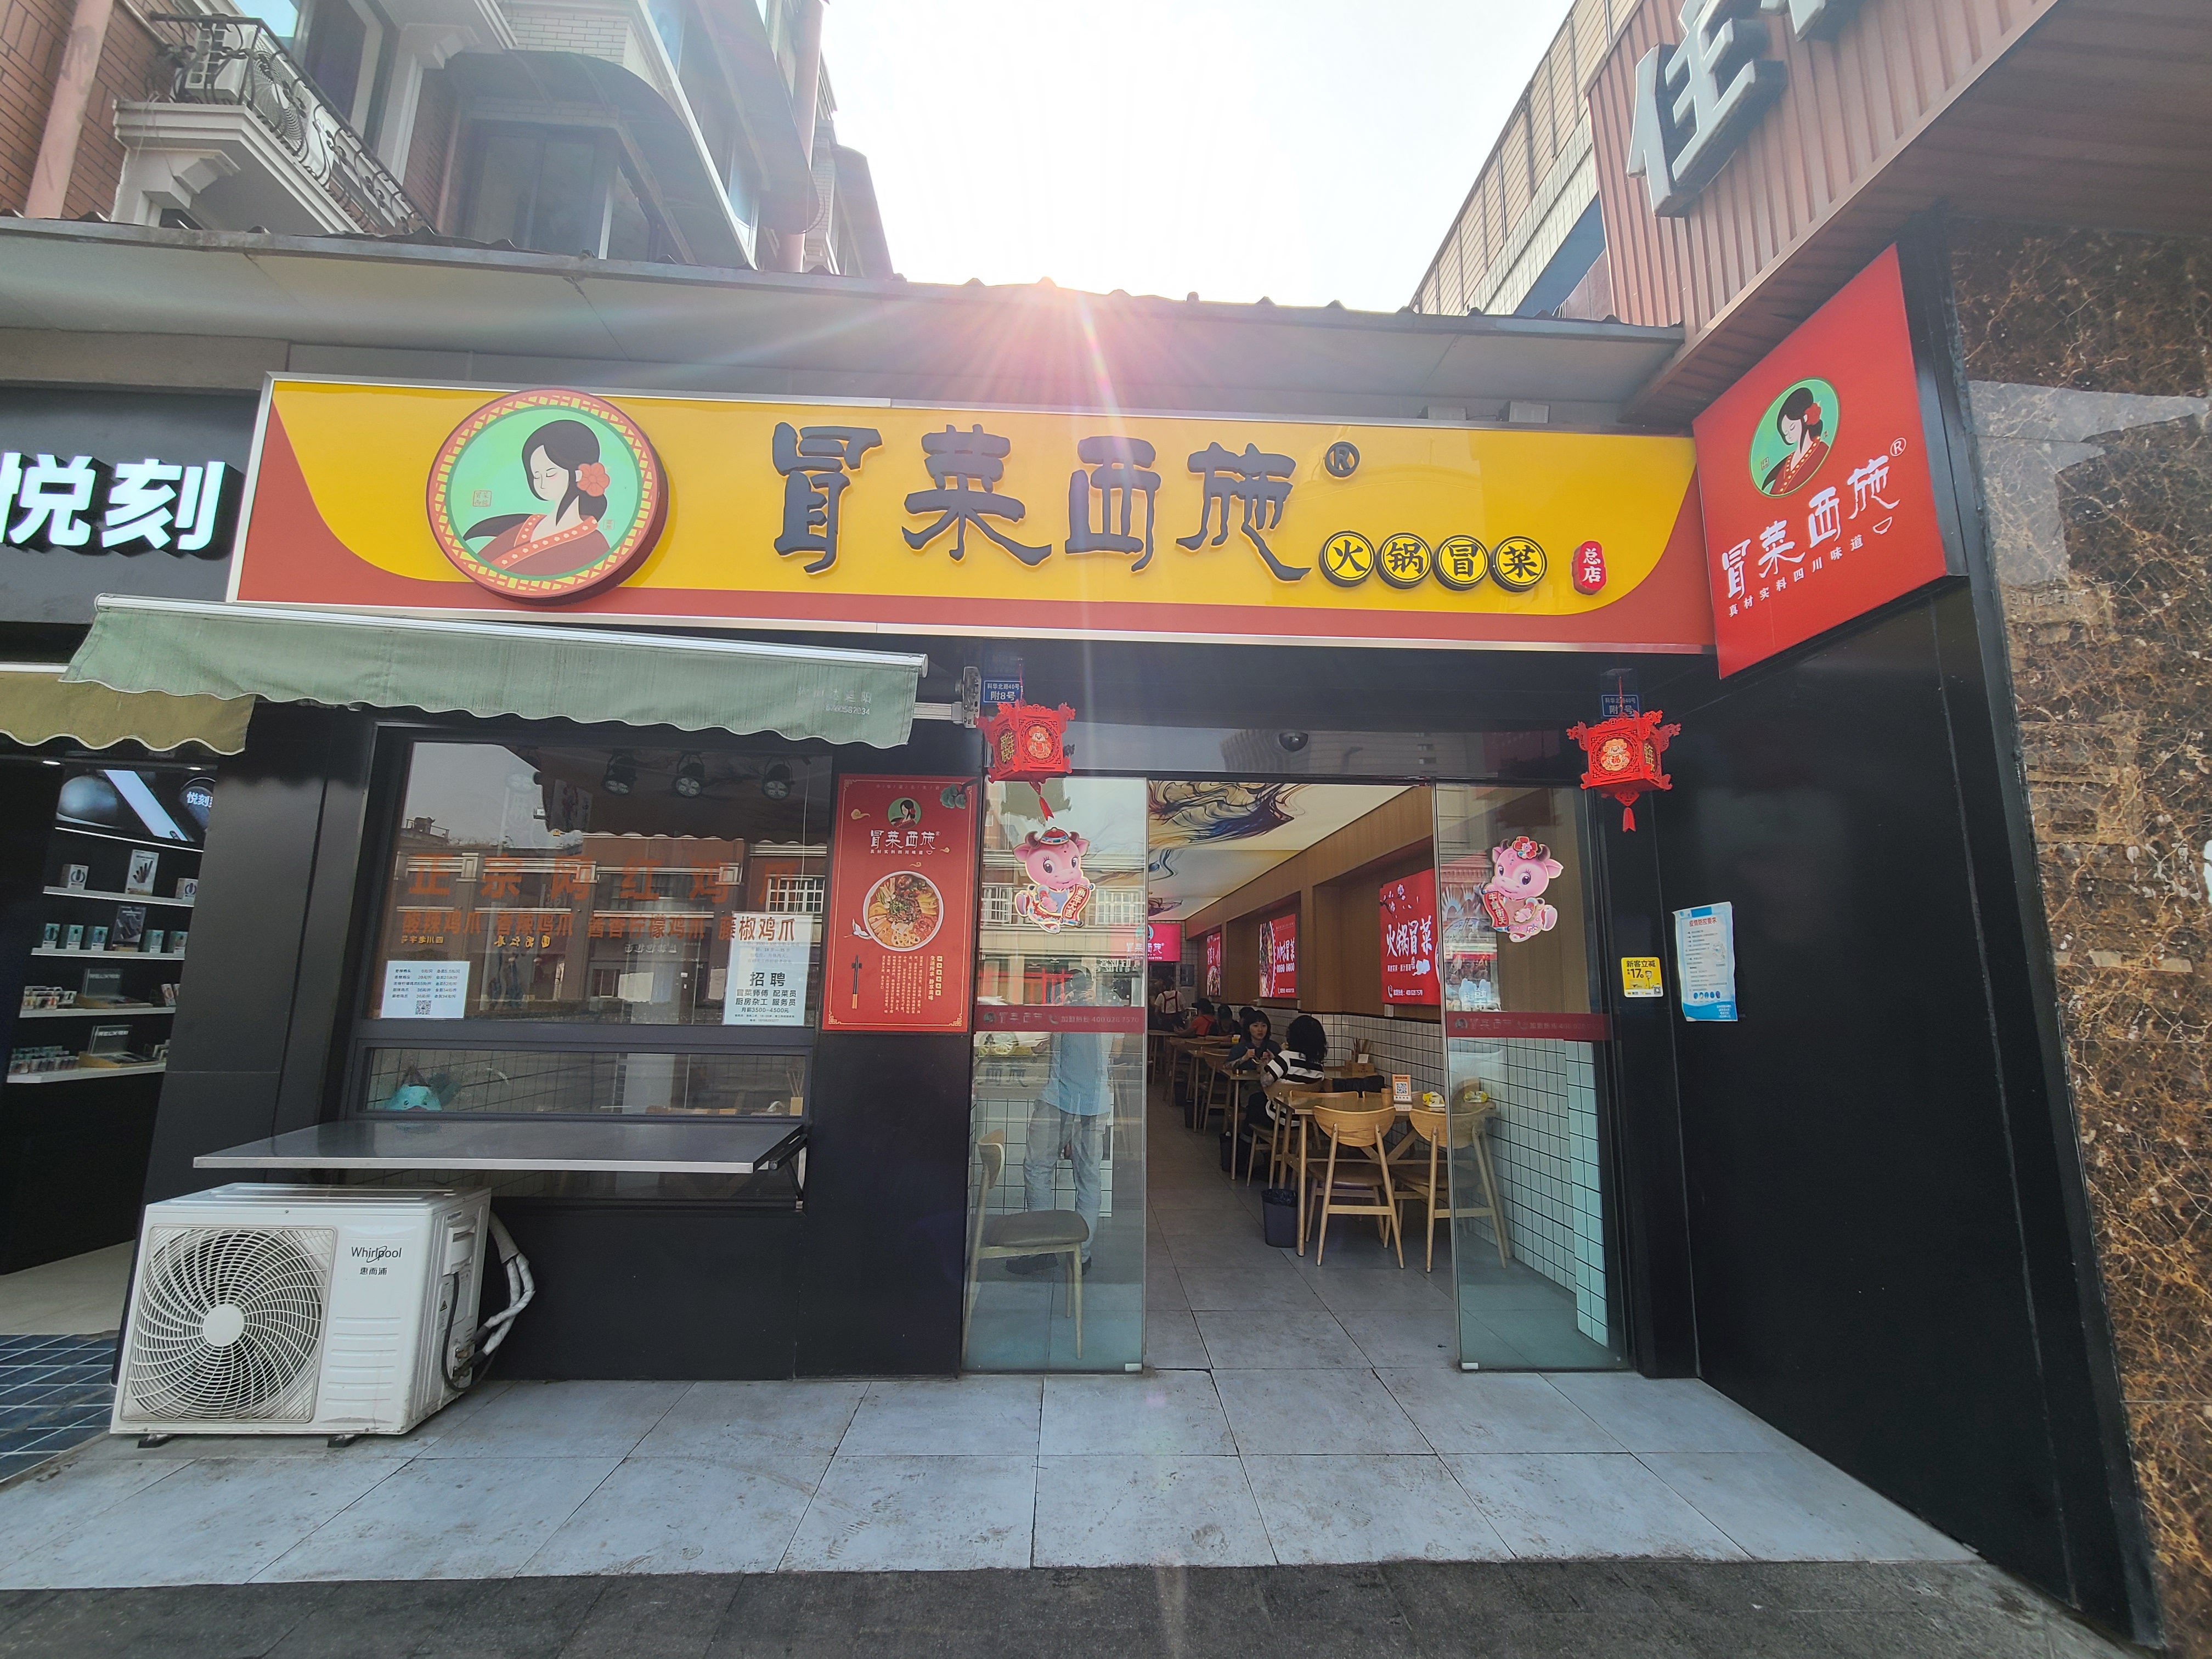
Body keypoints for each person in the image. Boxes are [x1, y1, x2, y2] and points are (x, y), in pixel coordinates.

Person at [1014, 968, 1112, 1274]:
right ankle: (1080, 1257)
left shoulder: (1063, 1010)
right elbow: (1119, 1052)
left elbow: (1042, 1045)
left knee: (1038, 1168)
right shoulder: (1109, 1009)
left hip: (1060, 1100)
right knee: (1088, 1177)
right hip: (1094, 1103)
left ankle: (1043, 1250)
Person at [1759, 385, 1831, 496]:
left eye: (1792, 428)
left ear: (1805, 418)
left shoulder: (1822, 450)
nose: (1789, 436)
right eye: (1785, 433)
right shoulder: (1786, 464)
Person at [1265, 1014, 1328, 1089]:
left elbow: (1265, 1082)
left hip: (1282, 1097)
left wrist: (1263, 1066)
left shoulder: (1286, 1057)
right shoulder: (1318, 1068)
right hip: (1308, 1097)